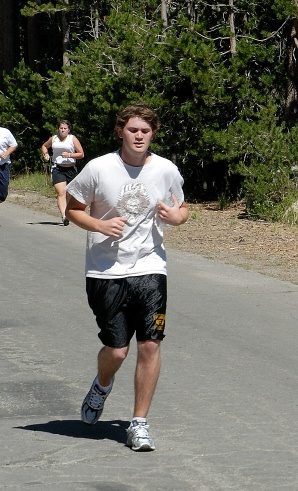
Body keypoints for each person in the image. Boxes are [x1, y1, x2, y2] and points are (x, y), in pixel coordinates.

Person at [65, 104, 189, 451]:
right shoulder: (99, 168)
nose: (139, 136)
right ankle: (102, 385)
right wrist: (100, 224)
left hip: (150, 267)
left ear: (153, 134)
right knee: (117, 351)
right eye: (133, 130)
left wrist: (176, 217)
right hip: (105, 270)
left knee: (150, 344)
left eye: (145, 131)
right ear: (121, 131)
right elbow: (71, 208)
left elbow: (183, 209)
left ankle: (139, 423)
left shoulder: (166, 170)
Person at [41, 120, 85, 225]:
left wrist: (70, 155)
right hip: (58, 168)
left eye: (65, 128)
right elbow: (44, 146)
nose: (63, 130)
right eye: (61, 128)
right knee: (61, 193)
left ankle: (69, 212)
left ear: (69, 130)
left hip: (70, 169)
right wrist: (46, 154)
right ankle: (64, 216)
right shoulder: (54, 138)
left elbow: (81, 154)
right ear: (58, 129)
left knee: (69, 194)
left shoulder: (72, 139)